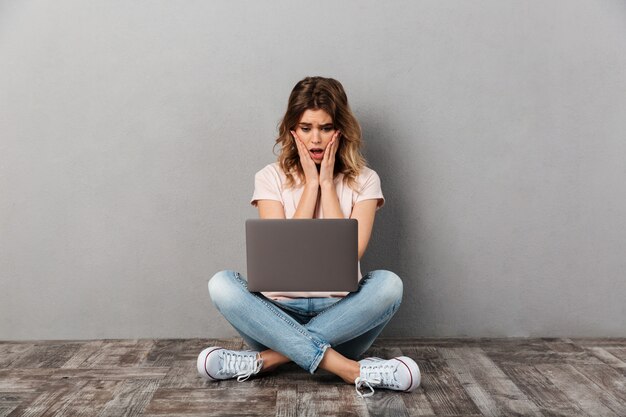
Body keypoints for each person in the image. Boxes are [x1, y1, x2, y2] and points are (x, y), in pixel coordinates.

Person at [197, 76, 420, 398]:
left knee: (389, 284)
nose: (316, 139)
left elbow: (349, 254)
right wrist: (310, 187)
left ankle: (268, 360)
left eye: (326, 128)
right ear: (292, 129)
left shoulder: (365, 180)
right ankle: (350, 370)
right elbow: (282, 255)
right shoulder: (270, 177)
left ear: (341, 129)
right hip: (275, 316)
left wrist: (328, 185)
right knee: (222, 283)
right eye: (306, 128)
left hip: (343, 317)